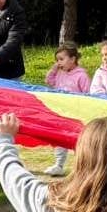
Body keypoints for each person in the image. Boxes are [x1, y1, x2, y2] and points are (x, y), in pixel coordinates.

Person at [43, 45, 91, 177]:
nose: (58, 63)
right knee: (60, 139)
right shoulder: (60, 73)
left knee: (79, 140)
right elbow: (49, 81)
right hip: (62, 112)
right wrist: (54, 69)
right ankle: (59, 165)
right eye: (57, 60)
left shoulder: (81, 75)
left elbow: (89, 94)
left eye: (61, 59)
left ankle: (83, 166)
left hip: (76, 113)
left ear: (73, 59)